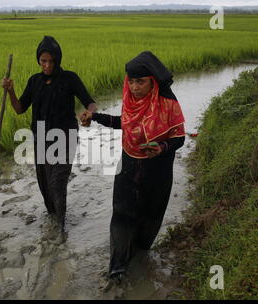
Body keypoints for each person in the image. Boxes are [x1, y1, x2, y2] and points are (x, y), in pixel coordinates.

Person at [79, 51, 186, 279]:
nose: (135, 87)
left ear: (153, 81)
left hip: (158, 171)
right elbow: (123, 124)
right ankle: (117, 265)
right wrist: (95, 117)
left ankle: (140, 255)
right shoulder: (130, 99)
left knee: (150, 219)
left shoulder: (167, 103)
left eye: (141, 82)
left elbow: (179, 137)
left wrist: (161, 148)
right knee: (122, 214)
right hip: (128, 166)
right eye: (131, 81)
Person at [1, 35, 98, 236]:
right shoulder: (34, 81)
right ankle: (54, 218)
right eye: (43, 61)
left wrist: (90, 113)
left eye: (51, 61)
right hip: (41, 139)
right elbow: (20, 108)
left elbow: (90, 102)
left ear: (58, 60)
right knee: (45, 186)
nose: (47, 65)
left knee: (57, 182)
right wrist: (11, 91)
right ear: (38, 60)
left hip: (65, 137)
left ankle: (61, 231)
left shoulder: (69, 78)